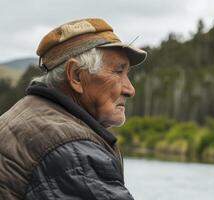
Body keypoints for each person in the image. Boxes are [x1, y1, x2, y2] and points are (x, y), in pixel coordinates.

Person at [0, 18, 147, 200]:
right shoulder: (74, 153)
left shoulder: (25, 114)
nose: (130, 90)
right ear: (76, 76)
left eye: (127, 74)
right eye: (118, 72)